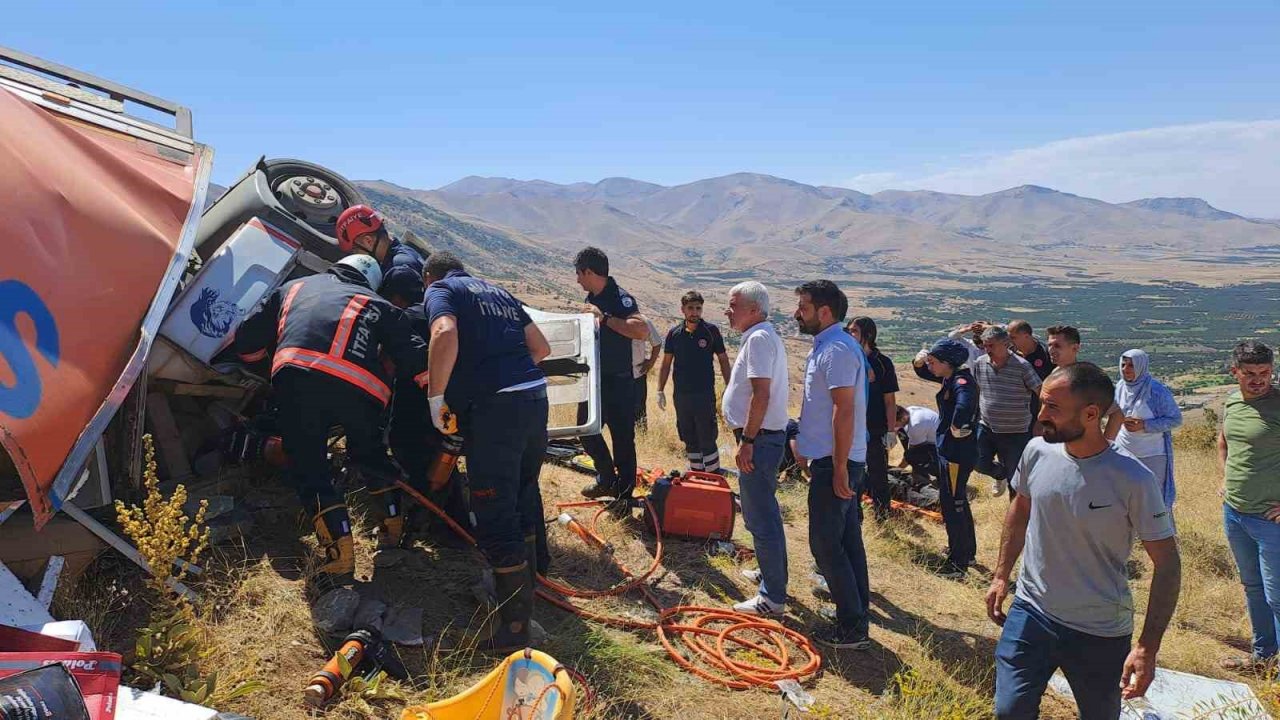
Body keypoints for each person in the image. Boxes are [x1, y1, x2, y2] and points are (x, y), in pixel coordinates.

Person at [986, 363, 1180, 719]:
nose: (1041, 415)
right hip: (1032, 612)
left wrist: (1147, 648)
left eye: (1052, 408)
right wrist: (1001, 575)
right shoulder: (1036, 451)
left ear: (1091, 414)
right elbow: (1020, 508)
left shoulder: (1132, 478)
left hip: (1099, 630)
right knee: (1009, 712)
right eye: (1042, 404)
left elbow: (1168, 564)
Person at [233, 254, 428, 591]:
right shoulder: (380, 304)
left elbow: (248, 340)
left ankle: (339, 560)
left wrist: (268, 373)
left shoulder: (292, 288)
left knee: (311, 468)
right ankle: (392, 530)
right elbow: (414, 356)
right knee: (371, 456)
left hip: (299, 379)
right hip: (365, 391)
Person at [423, 252, 552, 651]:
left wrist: (437, 398)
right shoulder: (499, 292)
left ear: (429, 276)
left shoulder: (441, 289)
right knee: (522, 495)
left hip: (497, 412)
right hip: (534, 398)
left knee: (493, 510)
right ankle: (527, 596)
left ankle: (514, 630)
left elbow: (444, 333)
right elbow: (541, 347)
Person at [793, 280, 871, 649]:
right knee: (846, 542)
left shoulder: (837, 349)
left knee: (826, 545)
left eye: (804, 307)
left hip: (835, 462)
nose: (797, 313)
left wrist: (838, 466)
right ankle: (855, 615)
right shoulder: (831, 345)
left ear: (824, 312)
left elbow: (844, 410)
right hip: (833, 458)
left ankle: (851, 627)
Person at [720, 281, 791, 616]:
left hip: (759, 440)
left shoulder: (760, 339)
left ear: (753, 309)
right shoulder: (760, 336)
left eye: (733, 305)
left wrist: (747, 441)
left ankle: (772, 598)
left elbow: (761, 394)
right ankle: (770, 572)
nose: (727, 311)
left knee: (761, 517)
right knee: (760, 513)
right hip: (759, 438)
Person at [1218, 341, 1280, 671]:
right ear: (1235, 372)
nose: (1258, 380)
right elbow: (1225, 441)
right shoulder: (1232, 401)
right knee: (1253, 588)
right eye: (1250, 373)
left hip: (1271, 521)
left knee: (1278, 597)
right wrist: (1225, 480)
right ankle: (1264, 658)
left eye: (1265, 373)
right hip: (1235, 514)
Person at [574, 247, 651, 506]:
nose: (577, 280)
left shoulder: (620, 298)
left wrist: (605, 319)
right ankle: (606, 477)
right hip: (594, 379)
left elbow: (640, 330)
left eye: (578, 274)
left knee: (622, 438)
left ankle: (624, 495)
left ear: (588, 271)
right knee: (585, 429)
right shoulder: (592, 296)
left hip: (618, 381)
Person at [912, 339, 979, 578]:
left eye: (933, 362)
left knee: (953, 505)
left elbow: (965, 406)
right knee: (955, 500)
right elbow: (923, 371)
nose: (929, 366)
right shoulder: (950, 377)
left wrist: (957, 428)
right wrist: (918, 362)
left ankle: (958, 563)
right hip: (951, 450)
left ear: (946, 363)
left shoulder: (961, 382)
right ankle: (965, 551)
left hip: (955, 453)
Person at [658, 291, 731, 473]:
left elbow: (723, 360)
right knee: (688, 435)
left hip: (704, 394)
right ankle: (697, 474)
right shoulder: (674, 334)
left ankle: (713, 475)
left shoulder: (711, 331)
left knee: (707, 436)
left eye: (698, 308)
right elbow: (666, 364)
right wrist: (660, 390)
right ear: (683, 309)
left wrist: (729, 387)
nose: (695, 312)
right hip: (681, 395)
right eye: (690, 308)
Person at [971, 325, 1042, 498]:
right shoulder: (980, 364)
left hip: (1016, 432)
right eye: (985, 346)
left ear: (1006, 344)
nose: (987, 350)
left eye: (991, 346)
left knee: (1016, 479)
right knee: (977, 461)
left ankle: (1017, 518)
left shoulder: (1022, 366)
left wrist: (1040, 421)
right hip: (986, 426)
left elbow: (1041, 393)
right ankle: (998, 474)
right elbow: (978, 390)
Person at [1114, 350, 1182, 510]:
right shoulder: (1120, 387)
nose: (1126, 369)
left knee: (1154, 504)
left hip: (1152, 456)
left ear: (1141, 366)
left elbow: (1175, 419)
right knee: (1125, 502)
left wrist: (1145, 425)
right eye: (1123, 365)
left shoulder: (1156, 391)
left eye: (1131, 365)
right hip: (1124, 454)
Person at [847, 316, 899, 521]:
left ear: (867, 335)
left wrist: (891, 430)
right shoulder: (848, 358)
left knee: (878, 473)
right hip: (850, 426)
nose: (850, 335)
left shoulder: (882, 363)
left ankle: (882, 515)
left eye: (854, 331)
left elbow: (890, 400)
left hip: (875, 427)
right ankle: (854, 515)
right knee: (853, 473)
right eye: (849, 330)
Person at [335, 204, 425, 308]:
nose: (355, 256)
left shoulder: (399, 270)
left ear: (368, 241)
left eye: (355, 250)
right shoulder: (398, 255)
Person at [1046, 324, 1124, 440]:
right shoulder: (1055, 374)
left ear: (1075, 348)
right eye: (1049, 345)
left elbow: (1116, 412)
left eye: (1057, 346)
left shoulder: (1088, 378)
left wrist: (1105, 445)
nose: (1051, 350)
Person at [895, 405, 940, 483]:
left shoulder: (915, 425)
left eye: (895, 424)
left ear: (903, 419)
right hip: (929, 439)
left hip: (939, 448)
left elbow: (912, 453)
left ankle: (928, 476)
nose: (893, 426)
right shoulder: (908, 411)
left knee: (911, 456)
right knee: (901, 431)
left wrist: (898, 470)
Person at [633, 315, 663, 430]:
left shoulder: (642, 320)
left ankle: (642, 439)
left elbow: (657, 343)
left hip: (637, 374)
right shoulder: (610, 319)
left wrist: (650, 363)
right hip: (613, 375)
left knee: (639, 411)